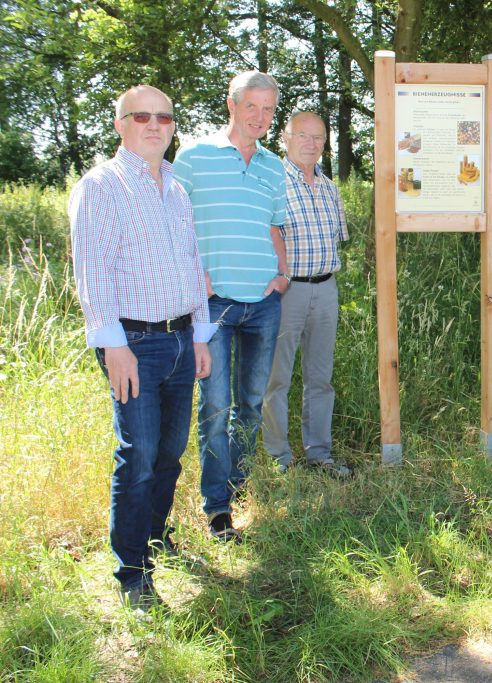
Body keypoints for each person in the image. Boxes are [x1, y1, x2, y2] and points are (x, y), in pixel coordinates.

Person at [69, 85, 214, 612]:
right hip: (134, 343)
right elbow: (93, 273)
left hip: (180, 340)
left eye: (165, 116)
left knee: (170, 454)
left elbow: (192, 266)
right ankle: (133, 572)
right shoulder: (101, 186)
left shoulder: (175, 188)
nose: (155, 124)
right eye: (142, 116)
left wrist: (200, 334)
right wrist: (115, 348)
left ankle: (154, 535)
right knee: (138, 459)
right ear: (120, 125)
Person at [174, 71, 288, 541]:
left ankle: (238, 488)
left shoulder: (272, 166)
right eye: (252, 107)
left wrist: (282, 275)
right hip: (212, 305)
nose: (260, 117)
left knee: (251, 405)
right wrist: (190, 273)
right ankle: (217, 508)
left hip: (263, 302)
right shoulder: (194, 157)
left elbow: (275, 226)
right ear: (232, 105)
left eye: (268, 110)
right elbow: (172, 219)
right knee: (215, 405)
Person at [262, 112, 350, 477]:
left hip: (326, 288)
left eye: (319, 137)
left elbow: (337, 240)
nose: (312, 143)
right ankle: (279, 459)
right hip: (287, 291)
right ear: (285, 138)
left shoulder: (329, 187)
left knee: (320, 377)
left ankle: (320, 455)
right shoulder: (271, 183)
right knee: (276, 379)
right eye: (303, 136)